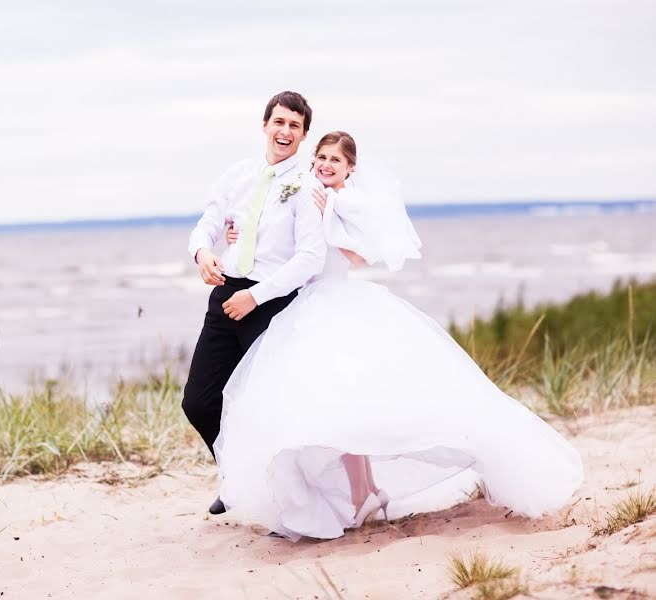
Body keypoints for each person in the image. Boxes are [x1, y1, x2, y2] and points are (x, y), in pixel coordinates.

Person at [214, 131, 584, 541]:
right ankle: (363, 493)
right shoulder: (309, 193)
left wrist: (329, 214)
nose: (325, 165)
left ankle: (363, 494)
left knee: (351, 403)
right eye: (321, 157)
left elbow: (360, 254)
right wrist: (237, 232)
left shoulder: (344, 201)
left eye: (335, 161)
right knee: (338, 404)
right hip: (309, 305)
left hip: (338, 304)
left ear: (350, 168)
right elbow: (282, 239)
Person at [183, 91, 327, 515]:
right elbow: (208, 223)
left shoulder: (307, 186)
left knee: (270, 409)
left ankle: (289, 505)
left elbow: (310, 257)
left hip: (271, 302)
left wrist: (257, 296)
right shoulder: (236, 176)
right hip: (226, 293)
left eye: (294, 126)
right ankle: (236, 478)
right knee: (199, 400)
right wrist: (202, 254)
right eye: (279, 122)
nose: (285, 132)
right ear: (264, 125)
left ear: (303, 135)